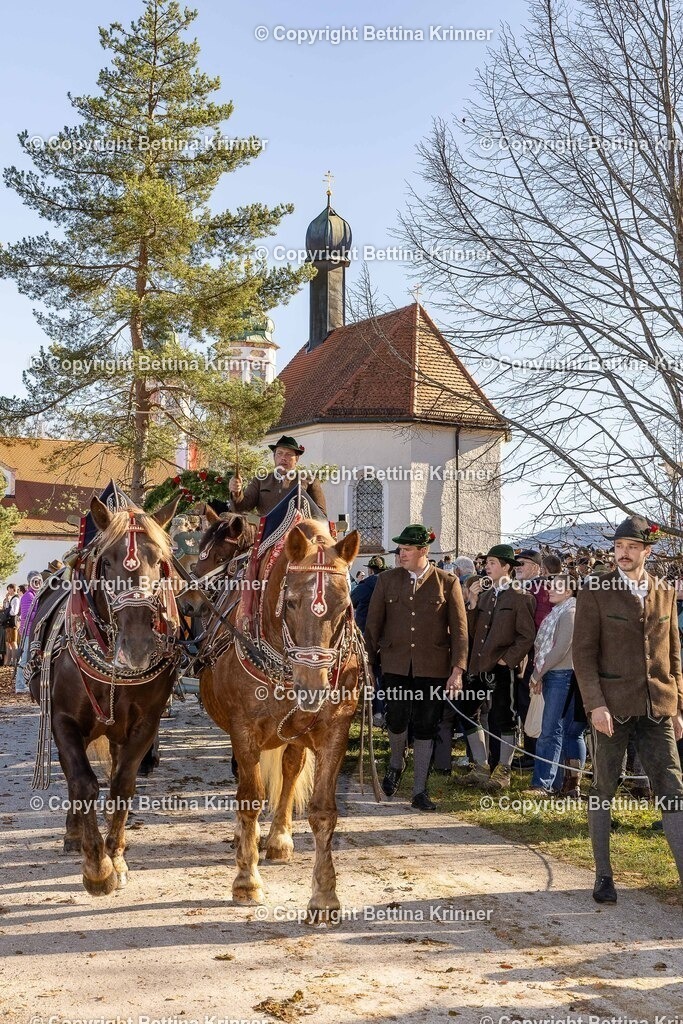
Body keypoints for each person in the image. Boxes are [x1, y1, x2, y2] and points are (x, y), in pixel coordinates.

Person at [574, 515, 683, 905]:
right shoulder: (595, 591)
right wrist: (595, 704)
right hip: (612, 708)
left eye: (632, 547)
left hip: (658, 705)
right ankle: (603, 876)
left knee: (672, 788)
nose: (623, 553)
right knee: (604, 785)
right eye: (619, 546)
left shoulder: (664, 592)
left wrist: (677, 707)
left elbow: (672, 653)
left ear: (647, 551)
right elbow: (583, 656)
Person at [364, 525, 468, 811]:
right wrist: (368, 667)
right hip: (395, 665)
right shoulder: (386, 581)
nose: (401, 555)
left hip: (432, 669)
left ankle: (420, 790)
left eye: (407, 550)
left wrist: (457, 671)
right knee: (396, 719)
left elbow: (460, 631)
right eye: (400, 549)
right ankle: (397, 762)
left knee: (426, 726)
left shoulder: (447, 582)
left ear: (424, 551)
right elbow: (372, 628)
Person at [462, 545, 536, 790]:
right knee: (468, 711)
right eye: (487, 563)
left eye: (492, 563)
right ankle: (482, 766)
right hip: (479, 665)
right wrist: (471, 602)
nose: (487, 567)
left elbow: (526, 636)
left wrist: (508, 660)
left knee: (504, 717)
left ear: (507, 567)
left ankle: (503, 770)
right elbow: (472, 632)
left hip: (504, 669)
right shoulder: (484, 596)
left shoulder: (520, 597)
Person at [525, 574, 585, 796]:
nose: (549, 588)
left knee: (549, 731)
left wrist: (538, 674)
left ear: (569, 591)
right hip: (557, 675)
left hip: (561, 675)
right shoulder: (558, 612)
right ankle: (557, 783)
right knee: (556, 731)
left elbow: (560, 649)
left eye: (556, 586)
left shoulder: (570, 612)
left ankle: (542, 783)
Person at [228, 435, 327, 516]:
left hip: (297, 535)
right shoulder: (261, 480)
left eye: (288, 454)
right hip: (266, 535)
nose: (283, 458)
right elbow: (241, 509)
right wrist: (236, 493)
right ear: (274, 457)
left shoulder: (310, 480)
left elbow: (321, 516)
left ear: (296, 459)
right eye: (279, 453)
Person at [352, 555, 388, 725]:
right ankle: (386, 709)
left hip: (367, 634)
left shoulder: (366, 585)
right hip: (388, 635)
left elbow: (351, 600)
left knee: (371, 673)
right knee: (385, 674)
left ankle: (378, 711)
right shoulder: (390, 582)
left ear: (370, 569)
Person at [15, 572, 43, 694]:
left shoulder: (35, 594)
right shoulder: (28, 596)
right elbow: (27, 615)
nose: (37, 583)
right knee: (25, 657)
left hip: (32, 630)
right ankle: (20, 684)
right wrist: (42, 613)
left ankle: (25, 682)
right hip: (28, 632)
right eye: (35, 581)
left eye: (39, 581)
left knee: (31, 657)